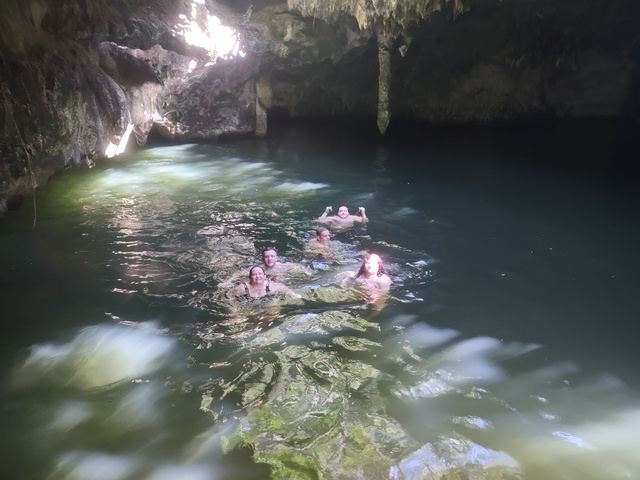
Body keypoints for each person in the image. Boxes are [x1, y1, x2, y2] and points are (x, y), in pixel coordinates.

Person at [230, 265, 300, 299]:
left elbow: (285, 289)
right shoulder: (242, 288)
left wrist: (293, 294)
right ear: (250, 278)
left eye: (260, 274)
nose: (258, 276)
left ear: (264, 277)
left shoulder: (271, 285)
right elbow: (229, 296)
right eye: (254, 274)